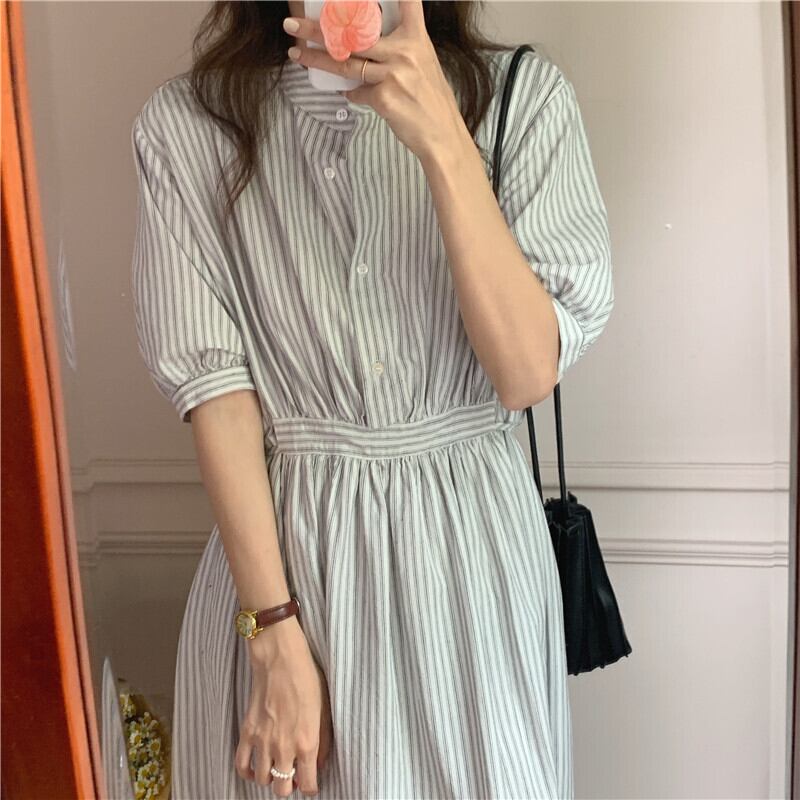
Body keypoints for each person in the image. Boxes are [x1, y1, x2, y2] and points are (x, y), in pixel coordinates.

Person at [130, 1, 614, 798]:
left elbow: (526, 372)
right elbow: (215, 391)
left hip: (473, 572)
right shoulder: (189, 124)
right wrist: (272, 637)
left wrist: (443, 138)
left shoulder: (522, 100)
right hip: (286, 577)